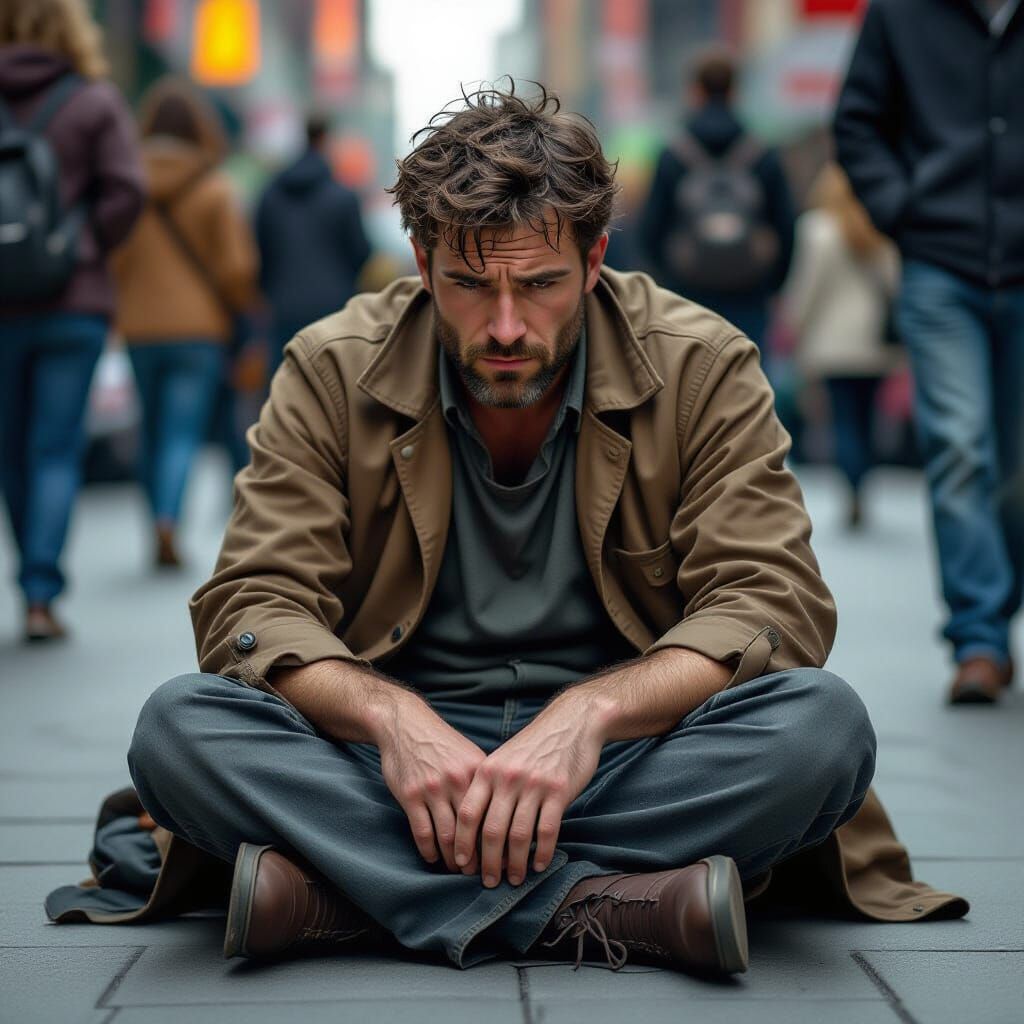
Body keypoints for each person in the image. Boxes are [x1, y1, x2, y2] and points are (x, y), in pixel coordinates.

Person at [49, 85, 966, 977]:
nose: (505, 326)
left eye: (540, 285)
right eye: (466, 285)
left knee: (821, 731)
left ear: (595, 259)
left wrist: (588, 716)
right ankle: (608, 907)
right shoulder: (331, 367)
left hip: (626, 753)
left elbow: (770, 602)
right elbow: (253, 605)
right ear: (421, 262)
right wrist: (395, 721)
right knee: (179, 730)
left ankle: (341, 897)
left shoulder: (702, 364)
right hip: (388, 765)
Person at [835, 0, 1024, 705]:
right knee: (960, 444)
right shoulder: (900, 12)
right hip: (940, 266)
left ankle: (996, 605)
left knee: (1017, 469)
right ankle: (979, 638)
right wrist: (901, 207)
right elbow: (856, 122)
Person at [0, 0, 144, 641]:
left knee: (10, 451)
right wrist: (79, 245)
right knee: (54, 448)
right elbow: (127, 190)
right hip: (73, 302)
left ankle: (30, 579)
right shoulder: (92, 101)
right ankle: (41, 593)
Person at [112, 77, 258, 569]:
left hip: (138, 329)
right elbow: (237, 268)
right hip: (199, 331)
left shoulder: (126, 187)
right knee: (181, 432)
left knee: (150, 430)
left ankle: (156, 521)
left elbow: (113, 259)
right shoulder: (214, 187)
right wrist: (240, 306)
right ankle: (168, 520)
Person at [639, 46, 795, 349]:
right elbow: (786, 227)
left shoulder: (674, 155)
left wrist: (671, 280)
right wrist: (770, 284)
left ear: (695, 91)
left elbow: (651, 230)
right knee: (748, 368)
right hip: (750, 293)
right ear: (735, 92)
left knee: (689, 371)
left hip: (687, 294)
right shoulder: (763, 155)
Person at [783, 163, 901, 530]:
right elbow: (895, 284)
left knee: (843, 418)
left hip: (831, 344)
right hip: (875, 345)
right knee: (867, 419)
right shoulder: (879, 227)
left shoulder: (817, 228)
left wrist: (795, 324)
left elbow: (808, 287)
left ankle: (852, 487)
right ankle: (862, 482)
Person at [254, 112, 371, 382]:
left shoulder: (270, 195)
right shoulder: (343, 196)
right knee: (333, 387)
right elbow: (361, 251)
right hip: (334, 306)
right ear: (326, 139)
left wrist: (270, 290)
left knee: (286, 387)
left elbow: (261, 250)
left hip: (283, 306)